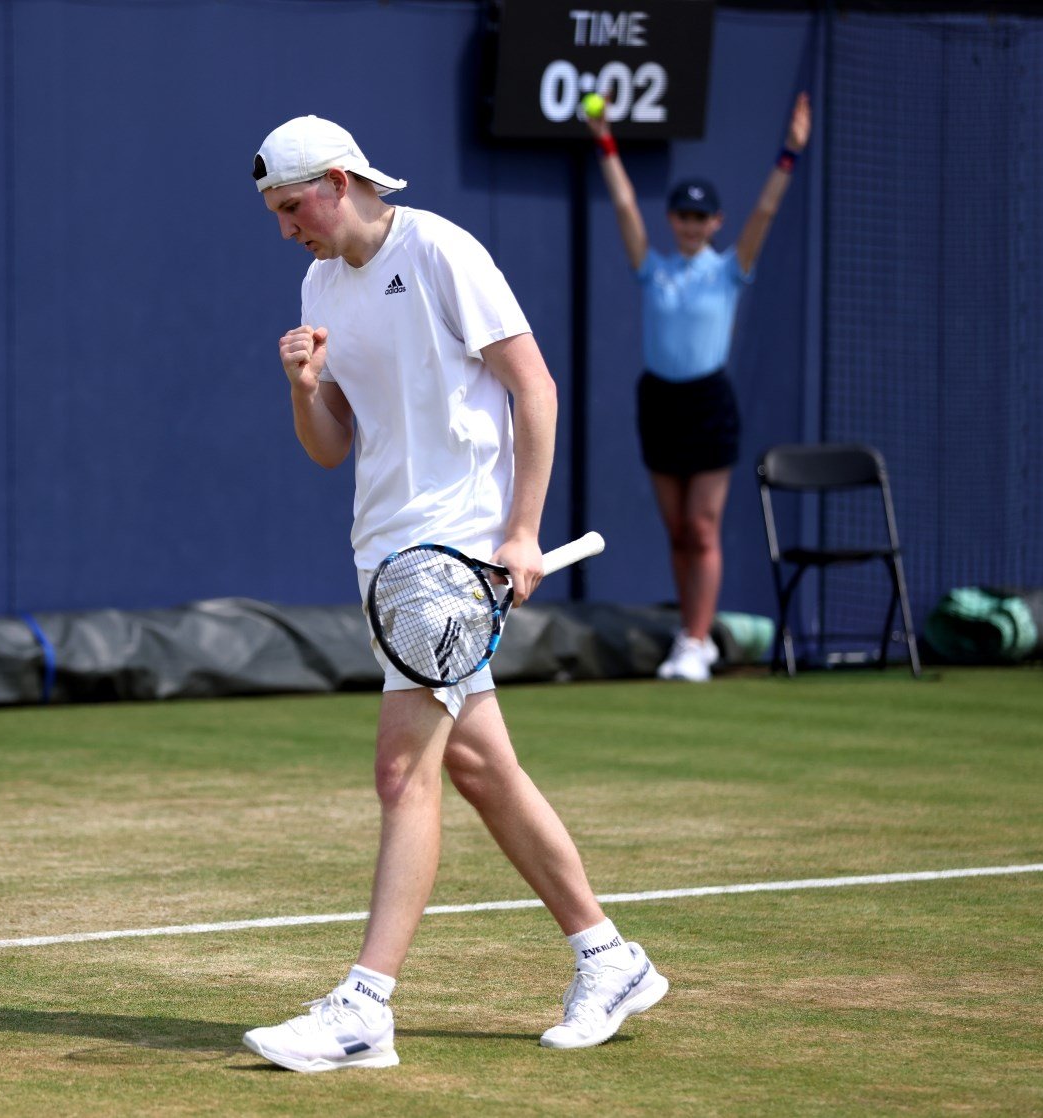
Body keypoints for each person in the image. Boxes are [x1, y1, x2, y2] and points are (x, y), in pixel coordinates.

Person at [241, 115, 668, 1073]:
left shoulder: (440, 250)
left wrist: (521, 528)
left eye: (293, 207)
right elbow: (330, 445)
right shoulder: (318, 284)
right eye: (274, 214)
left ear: (340, 181)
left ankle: (364, 1006)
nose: (286, 229)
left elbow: (535, 388)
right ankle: (610, 956)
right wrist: (304, 387)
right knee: (480, 768)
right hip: (383, 558)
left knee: (404, 774)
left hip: (452, 560)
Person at [586, 93, 813, 682]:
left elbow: (763, 212)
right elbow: (624, 203)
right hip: (659, 402)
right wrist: (604, 138)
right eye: (682, 217)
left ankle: (695, 638)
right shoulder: (653, 268)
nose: (689, 225)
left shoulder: (730, 268)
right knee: (678, 531)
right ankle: (691, 639)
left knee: (704, 527)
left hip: (709, 403)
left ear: (716, 223)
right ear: (673, 222)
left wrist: (789, 153)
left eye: (700, 218)